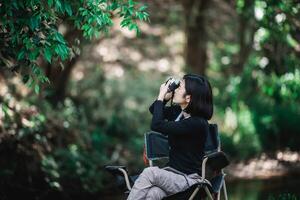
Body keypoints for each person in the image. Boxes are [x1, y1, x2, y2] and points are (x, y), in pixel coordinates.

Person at [127, 74, 214, 200]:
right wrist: (165, 98)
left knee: (150, 172)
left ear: (188, 97)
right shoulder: (180, 113)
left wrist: (161, 95)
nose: (176, 89)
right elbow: (154, 110)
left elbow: (156, 124)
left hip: (189, 180)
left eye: (180, 87)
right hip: (173, 176)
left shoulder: (197, 123)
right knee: (153, 194)